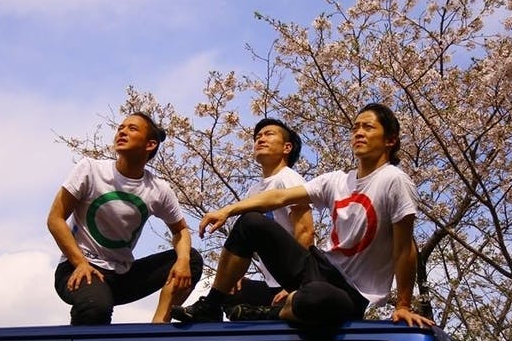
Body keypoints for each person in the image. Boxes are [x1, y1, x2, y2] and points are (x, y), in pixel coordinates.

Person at [171, 103, 434, 328]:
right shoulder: (336, 180)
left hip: (350, 293)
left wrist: (403, 305)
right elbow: (279, 197)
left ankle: (267, 314)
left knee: (315, 299)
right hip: (318, 268)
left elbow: (404, 249)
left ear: (390, 140)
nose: (359, 133)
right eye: (355, 128)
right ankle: (211, 305)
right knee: (250, 222)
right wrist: (228, 210)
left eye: (368, 127)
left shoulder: (394, 181)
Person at [47, 112, 203, 324]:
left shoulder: (158, 189)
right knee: (95, 307)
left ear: (150, 145)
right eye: (121, 128)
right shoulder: (90, 170)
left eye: (132, 128)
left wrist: (183, 261)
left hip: (122, 275)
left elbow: (181, 230)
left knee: (191, 259)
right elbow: (55, 218)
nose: (122, 132)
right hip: (78, 267)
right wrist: (80, 263)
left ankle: (159, 324)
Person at [221, 118, 314, 316]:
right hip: (271, 284)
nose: (261, 139)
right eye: (258, 137)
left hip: (295, 280)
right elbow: (247, 241)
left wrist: (294, 286)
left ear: (287, 147)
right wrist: (238, 275)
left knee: (290, 308)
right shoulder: (254, 191)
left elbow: (305, 230)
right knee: (229, 293)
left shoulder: (289, 178)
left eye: (269, 134)